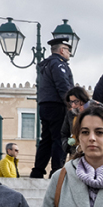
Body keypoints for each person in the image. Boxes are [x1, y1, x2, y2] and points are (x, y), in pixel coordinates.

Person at [29, 38, 73, 179]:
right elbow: (63, 85)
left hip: (45, 104)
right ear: (61, 50)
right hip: (57, 105)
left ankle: (37, 171)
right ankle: (56, 171)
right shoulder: (58, 64)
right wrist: (70, 104)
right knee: (59, 138)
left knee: (46, 139)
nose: (69, 54)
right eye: (68, 50)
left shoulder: (45, 65)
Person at [61, 86, 90, 160]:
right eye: (71, 102)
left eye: (76, 101)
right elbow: (64, 133)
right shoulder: (70, 114)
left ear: (83, 100)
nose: (73, 105)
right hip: (74, 153)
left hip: (89, 152)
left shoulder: (92, 113)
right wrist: (68, 145)